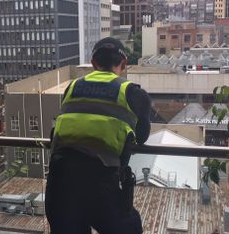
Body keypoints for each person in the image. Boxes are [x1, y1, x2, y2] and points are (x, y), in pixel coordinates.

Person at [45, 37, 152, 234]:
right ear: (123, 64)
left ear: (94, 63)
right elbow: (142, 136)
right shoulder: (134, 94)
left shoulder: (72, 88)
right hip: (99, 182)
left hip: (59, 180)